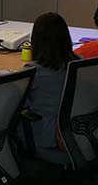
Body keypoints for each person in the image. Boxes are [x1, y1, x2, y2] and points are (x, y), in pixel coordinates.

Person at [27, 13, 80, 150]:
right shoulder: (80, 62)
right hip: (77, 131)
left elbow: (14, 102)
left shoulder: (33, 71)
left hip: (46, 136)